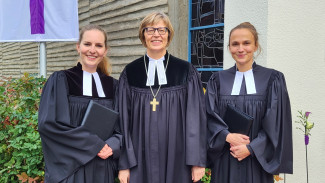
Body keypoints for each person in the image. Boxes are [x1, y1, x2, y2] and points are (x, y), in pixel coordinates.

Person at [117, 12, 207, 183]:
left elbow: (196, 118)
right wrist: (124, 164)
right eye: (150, 30)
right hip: (139, 157)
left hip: (177, 155)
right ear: (143, 35)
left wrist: (196, 162)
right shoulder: (130, 72)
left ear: (169, 34)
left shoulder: (185, 71)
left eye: (161, 30)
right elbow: (123, 122)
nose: (156, 34)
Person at [206, 22, 293, 183]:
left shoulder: (272, 79)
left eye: (246, 43)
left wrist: (251, 148)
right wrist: (226, 136)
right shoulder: (217, 80)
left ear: (255, 46)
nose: (240, 49)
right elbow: (208, 116)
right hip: (226, 158)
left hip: (257, 162)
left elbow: (276, 124)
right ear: (229, 47)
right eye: (235, 44)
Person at [38, 24, 122, 183]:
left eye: (98, 45)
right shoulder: (61, 80)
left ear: (105, 51)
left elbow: (123, 127)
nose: (92, 50)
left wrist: (113, 145)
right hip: (71, 169)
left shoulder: (114, 86)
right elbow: (48, 124)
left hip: (103, 168)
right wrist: (94, 144)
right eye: (87, 44)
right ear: (78, 47)